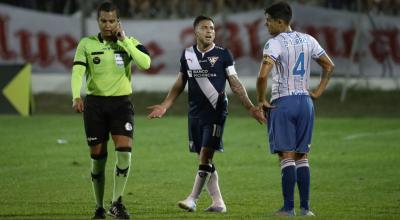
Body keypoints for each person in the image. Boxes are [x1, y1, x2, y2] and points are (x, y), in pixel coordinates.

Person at [147, 15, 265, 213]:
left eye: (212, 28)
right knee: (204, 160)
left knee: (205, 156)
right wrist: (165, 106)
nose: (210, 31)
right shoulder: (187, 55)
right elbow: (179, 83)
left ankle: (192, 199)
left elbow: (235, 83)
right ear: (195, 32)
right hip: (194, 114)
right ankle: (218, 202)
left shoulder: (223, 54)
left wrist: (251, 107)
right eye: (205, 28)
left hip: (216, 112)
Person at [70, 1, 151, 219]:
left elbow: (146, 63)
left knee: (124, 153)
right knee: (98, 159)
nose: (107, 25)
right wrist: (76, 95)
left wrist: (124, 41)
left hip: (121, 105)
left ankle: (116, 202)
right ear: (98, 21)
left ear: (118, 22)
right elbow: (77, 72)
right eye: (103, 21)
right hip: (95, 105)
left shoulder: (129, 42)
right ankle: (98, 206)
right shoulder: (86, 44)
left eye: (111, 21)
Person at [256, 2, 334, 217]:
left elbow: (263, 75)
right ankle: (306, 208)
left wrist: (261, 99)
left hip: (283, 102)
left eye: (269, 21)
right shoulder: (309, 39)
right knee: (303, 156)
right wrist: (317, 92)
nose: (266, 25)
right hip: (305, 103)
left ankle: (288, 208)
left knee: (287, 156)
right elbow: (329, 65)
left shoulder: (274, 43)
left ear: (280, 22)